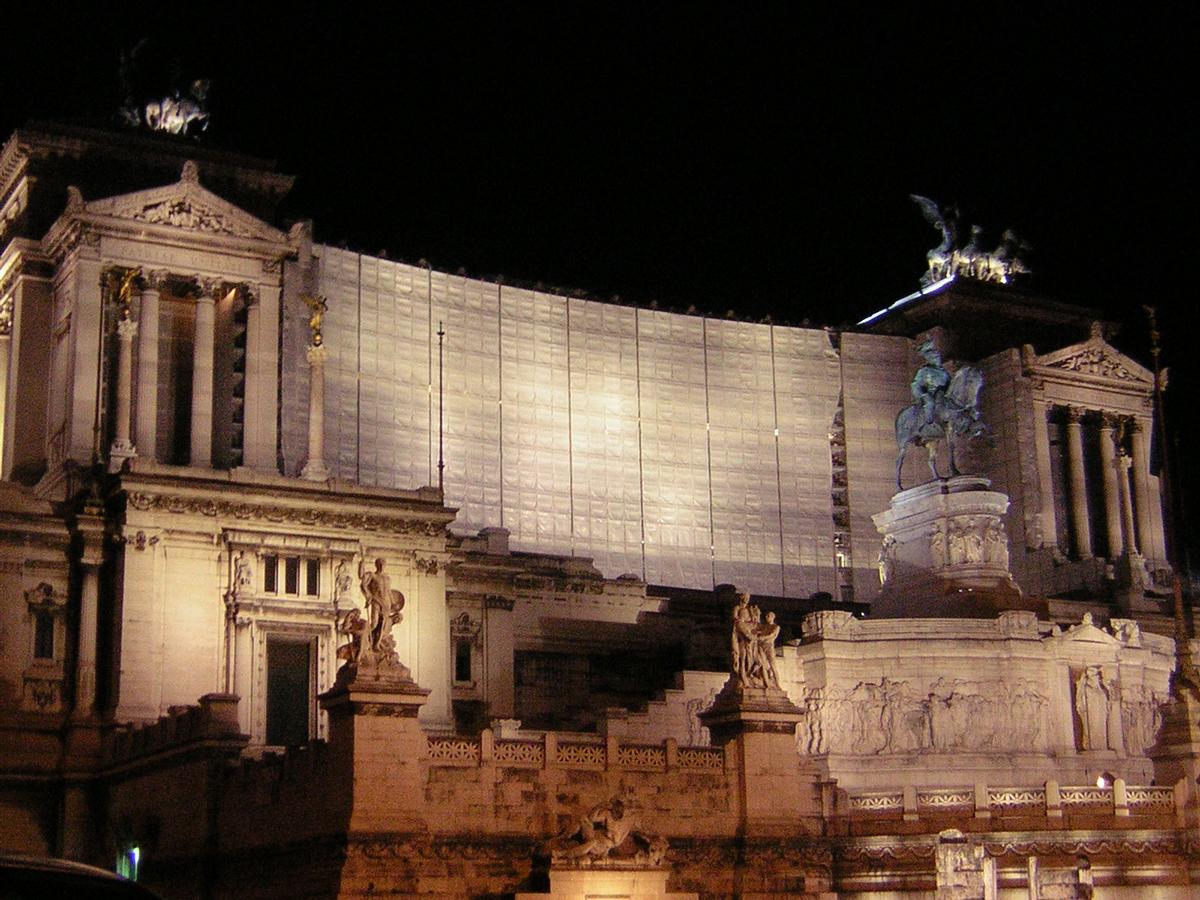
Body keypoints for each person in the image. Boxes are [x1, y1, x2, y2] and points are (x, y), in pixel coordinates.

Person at [911, 339, 951, 429]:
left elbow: (949, 384)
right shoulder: (924, 371)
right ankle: (929, 423)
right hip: (930, 394)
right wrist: (922, 394)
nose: (937, 360)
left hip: (942, 395)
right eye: (934, 358)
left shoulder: (944, 372)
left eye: (938, 358)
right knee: (929, 403)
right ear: (930, 360)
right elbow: (915, 385)